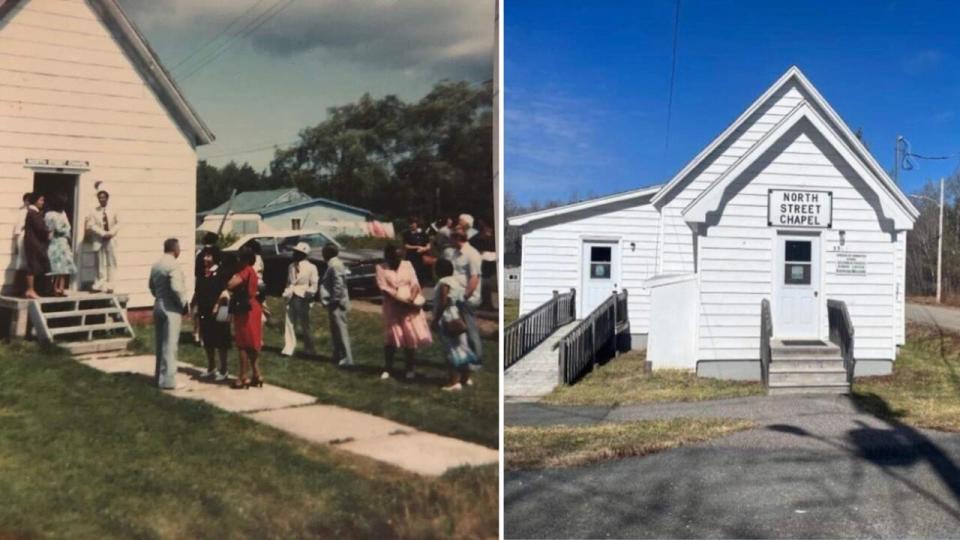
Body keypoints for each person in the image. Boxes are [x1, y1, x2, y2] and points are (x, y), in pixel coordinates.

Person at [375, 244, 432, 380]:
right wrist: (405, 303)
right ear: (388, 257)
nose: (398, 260)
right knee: (391, 339)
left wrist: (412, 300)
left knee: (410, 337)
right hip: (393, 306)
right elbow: (385, 290)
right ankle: (388, 368)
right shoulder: (380, 268)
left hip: (410, 306)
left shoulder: (407, 265)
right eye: (394, 257)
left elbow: (415, 284)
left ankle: (410, 369)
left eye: (400, 257)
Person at [431, 258, 479, 391]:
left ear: (439, 271)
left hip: (447, 317)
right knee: (462, 347)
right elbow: (460, 301)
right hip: (457, 316)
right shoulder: (456, 282)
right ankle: (465, 378)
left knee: (450, 349)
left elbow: (443, 301)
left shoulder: (444, 282)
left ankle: (453, 381)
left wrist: (435, 319)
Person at [148, 238, 189, 391]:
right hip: (171, 308)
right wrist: (183, 304)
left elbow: (151, 286)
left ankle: (159, 376)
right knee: (170, 345)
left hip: (158, 304)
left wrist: (159, 296)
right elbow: (176, 288)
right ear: (175, 248)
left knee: (160, 344)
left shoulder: (156, 265)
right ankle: (168, 381)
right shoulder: (174, 265)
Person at [191, 245, 231, 382]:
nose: (205, 258)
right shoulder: (202, 273)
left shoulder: (221, 272)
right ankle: (211, 367)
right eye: (205, 256)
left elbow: (225, 293)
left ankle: (224, 369)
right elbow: (197, 291)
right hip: (204, 309)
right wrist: (193, 304)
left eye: (209, 256)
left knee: (221, 340)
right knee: (207, 339)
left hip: (220, 310)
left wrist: (216, 306)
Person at [228, 246, 264, 389]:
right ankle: (257, 374)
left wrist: (230, 276)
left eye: (240, 257)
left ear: (245, 259)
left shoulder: (244, 271)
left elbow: (231, 284)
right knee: (253, 343)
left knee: (242, 344)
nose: (238, 259)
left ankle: (243, 376)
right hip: (254, 306)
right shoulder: (253, 271)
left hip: (244, 308)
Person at [281, 242, 318, 357]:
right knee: (289, 322)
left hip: (302, 298)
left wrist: (308, 295)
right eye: (294, 252)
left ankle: (309, 349)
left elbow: (314, 285)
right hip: (291, 296)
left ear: (303, 254)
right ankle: (288, 347)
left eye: (297, 252)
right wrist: (287, 291)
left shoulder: (312, 267)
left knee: (305, 324)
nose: (294, 254)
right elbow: (289, 282)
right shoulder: (291, 266)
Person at [319, 243, 353, 366]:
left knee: (340, 330)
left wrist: (334, 299)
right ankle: (338, 355)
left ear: (328, 253)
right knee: (335, 331)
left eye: (324, 252)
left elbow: (339, 284)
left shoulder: (335, 265)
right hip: (334, 302)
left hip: (337, 303)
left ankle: (347, 358)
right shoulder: (333, 264)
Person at [452, 228, 483, 360]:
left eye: (452, 239)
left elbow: (474, 278)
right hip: (457, 295)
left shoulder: (472, 254)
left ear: (459, 239)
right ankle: (464, 355)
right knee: (459, 329)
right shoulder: (456, 253)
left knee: (470, 329)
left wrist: (465, 296)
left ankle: (477, 357)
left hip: (468, 297)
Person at [85, 184, 119, 292]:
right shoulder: (94, 210)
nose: (101, 199)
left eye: (103, 197)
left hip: (111, 238)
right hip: (99, 238)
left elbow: (119, 223)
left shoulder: (114, 209)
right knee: (99, 263)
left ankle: (111, 285)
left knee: (111, 262)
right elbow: (90, 224)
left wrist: (111, 233)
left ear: (107, 198)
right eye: (100, 197)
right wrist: (102, 233)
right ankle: (99, 284)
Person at [45, 193, 77, 297]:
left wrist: (66, 231)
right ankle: (53, 288)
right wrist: (64, 229)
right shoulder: (50, 214)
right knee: (55, 266)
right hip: (55, 241)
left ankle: (61, 288)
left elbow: (68, 227)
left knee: (64, 267)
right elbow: (58, 228)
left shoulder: (62, 213)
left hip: (63, 242)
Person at [22, 193, 50, 299]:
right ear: (35, 201)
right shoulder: (33, 212)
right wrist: (49, 231)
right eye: (41, 200)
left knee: (36, 265)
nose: (42, 202)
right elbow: (40, 227)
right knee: (32, 265)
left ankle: (34, 289)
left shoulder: (34, 212)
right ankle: (30, 289)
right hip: (33, 242)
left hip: (34, 242)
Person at [469, 219, 497, 310]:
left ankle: (487, 303)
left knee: (486, 284)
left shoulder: (493, 239)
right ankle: (486, 303)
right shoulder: (476, 239)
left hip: (490, 264)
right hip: (481, 263)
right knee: (484, 284)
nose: (488, 231)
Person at [402, 217, 430, 284]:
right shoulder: (406, 233)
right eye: (410, 223)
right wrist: (417, 247)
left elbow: (428, 245)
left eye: (413, 223)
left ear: (416, 223)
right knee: (412, 274)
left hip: (422, 257)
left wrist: (424, 249)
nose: (411, 225)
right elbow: (406, 246)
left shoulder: (423, 233)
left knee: (421, 275)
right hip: (411, 257)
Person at [12, 192, 29, 292]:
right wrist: (16, 246)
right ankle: (17, 288)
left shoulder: (30, 212)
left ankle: (23, 288)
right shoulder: (22, 212)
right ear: (26, 201)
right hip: (22, 238)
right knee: (21, 263)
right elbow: (18, 229)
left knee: (26, 264)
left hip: (28, 238)